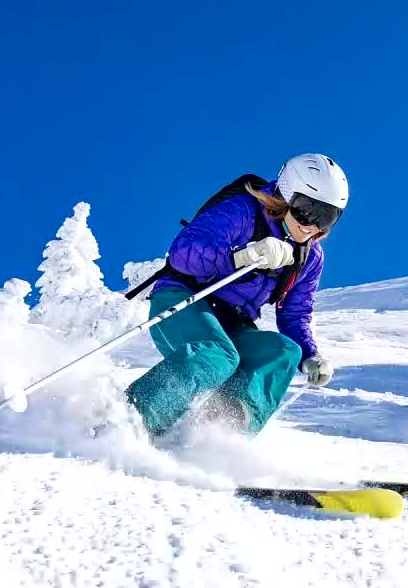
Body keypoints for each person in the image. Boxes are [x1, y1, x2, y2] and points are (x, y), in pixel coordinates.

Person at [125, 153, 347, 436]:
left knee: (283, 352)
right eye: (306, 210)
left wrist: (310, 354)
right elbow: (184, 252)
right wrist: (244, 255)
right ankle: (132, 420)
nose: (311, 225)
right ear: (287, 195)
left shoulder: (309, 257)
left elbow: (294, 313)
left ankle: (220, 434)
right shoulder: (244, 211)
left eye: (326, 217)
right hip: (185, 298)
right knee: (216, 355)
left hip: (233, 323)